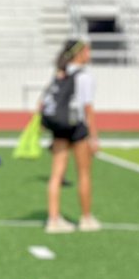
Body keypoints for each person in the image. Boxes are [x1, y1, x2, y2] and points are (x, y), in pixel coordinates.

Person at [40, 39, 100, 233]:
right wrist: (94, 136)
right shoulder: (84, 76)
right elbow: (87, 108)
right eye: (87, 50)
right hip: (77, 126)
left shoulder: (60, 73)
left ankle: (53, 219)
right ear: (79, 54)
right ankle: (86, 218)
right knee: (83, 173)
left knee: (56, 174)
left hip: (60, 127)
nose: (89, 53)